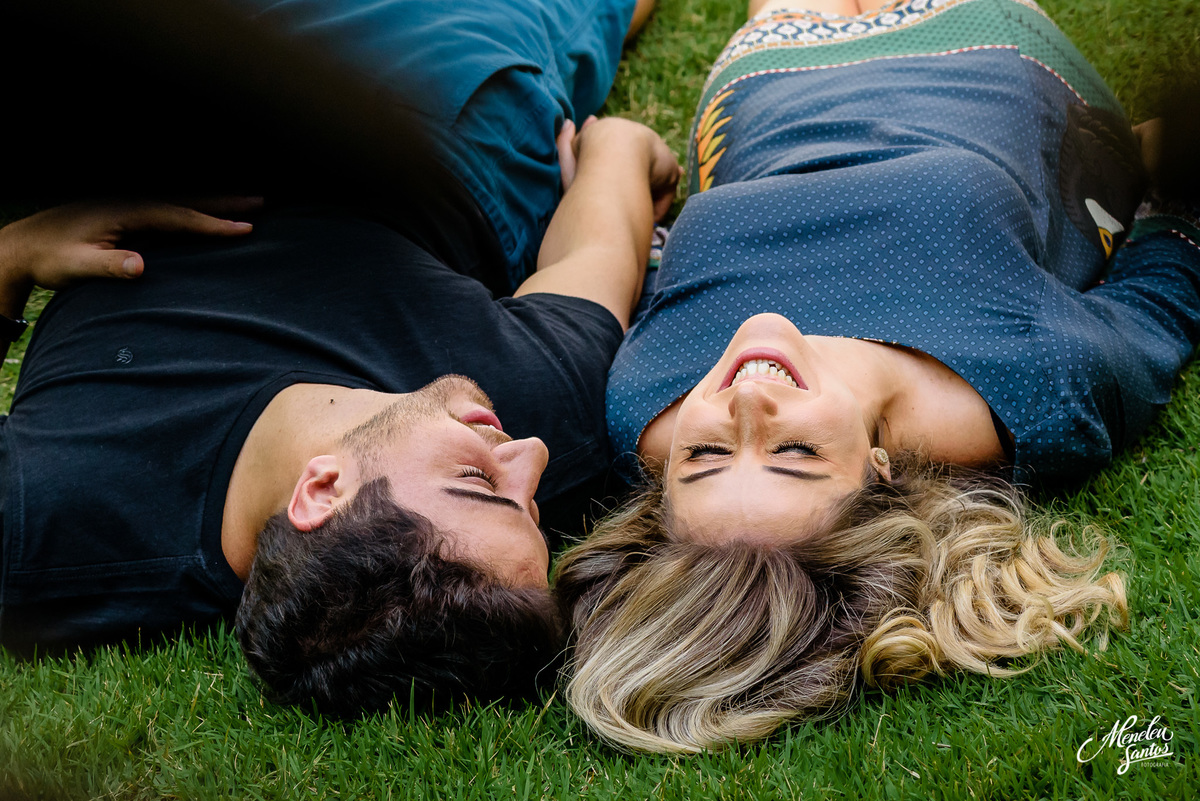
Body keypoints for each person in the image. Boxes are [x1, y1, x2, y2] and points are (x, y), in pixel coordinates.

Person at [0, 0, 679, 718]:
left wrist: (14, 257)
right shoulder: (522, 397)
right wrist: (622, 155)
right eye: (535, 510)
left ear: (321, 490)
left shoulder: (44, 524)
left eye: (480, 481)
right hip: (422, 129)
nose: (531, 456)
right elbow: (598, 239)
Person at [553, 0, 1199, 753]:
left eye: (705, 457)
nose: (749, 403)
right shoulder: (1023, 390)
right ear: (880, 475)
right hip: (987, 55)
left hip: (772, 79)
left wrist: (609, 185)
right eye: (795, 454)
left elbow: (650, 270)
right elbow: (1163, 289)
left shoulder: (649, 404)